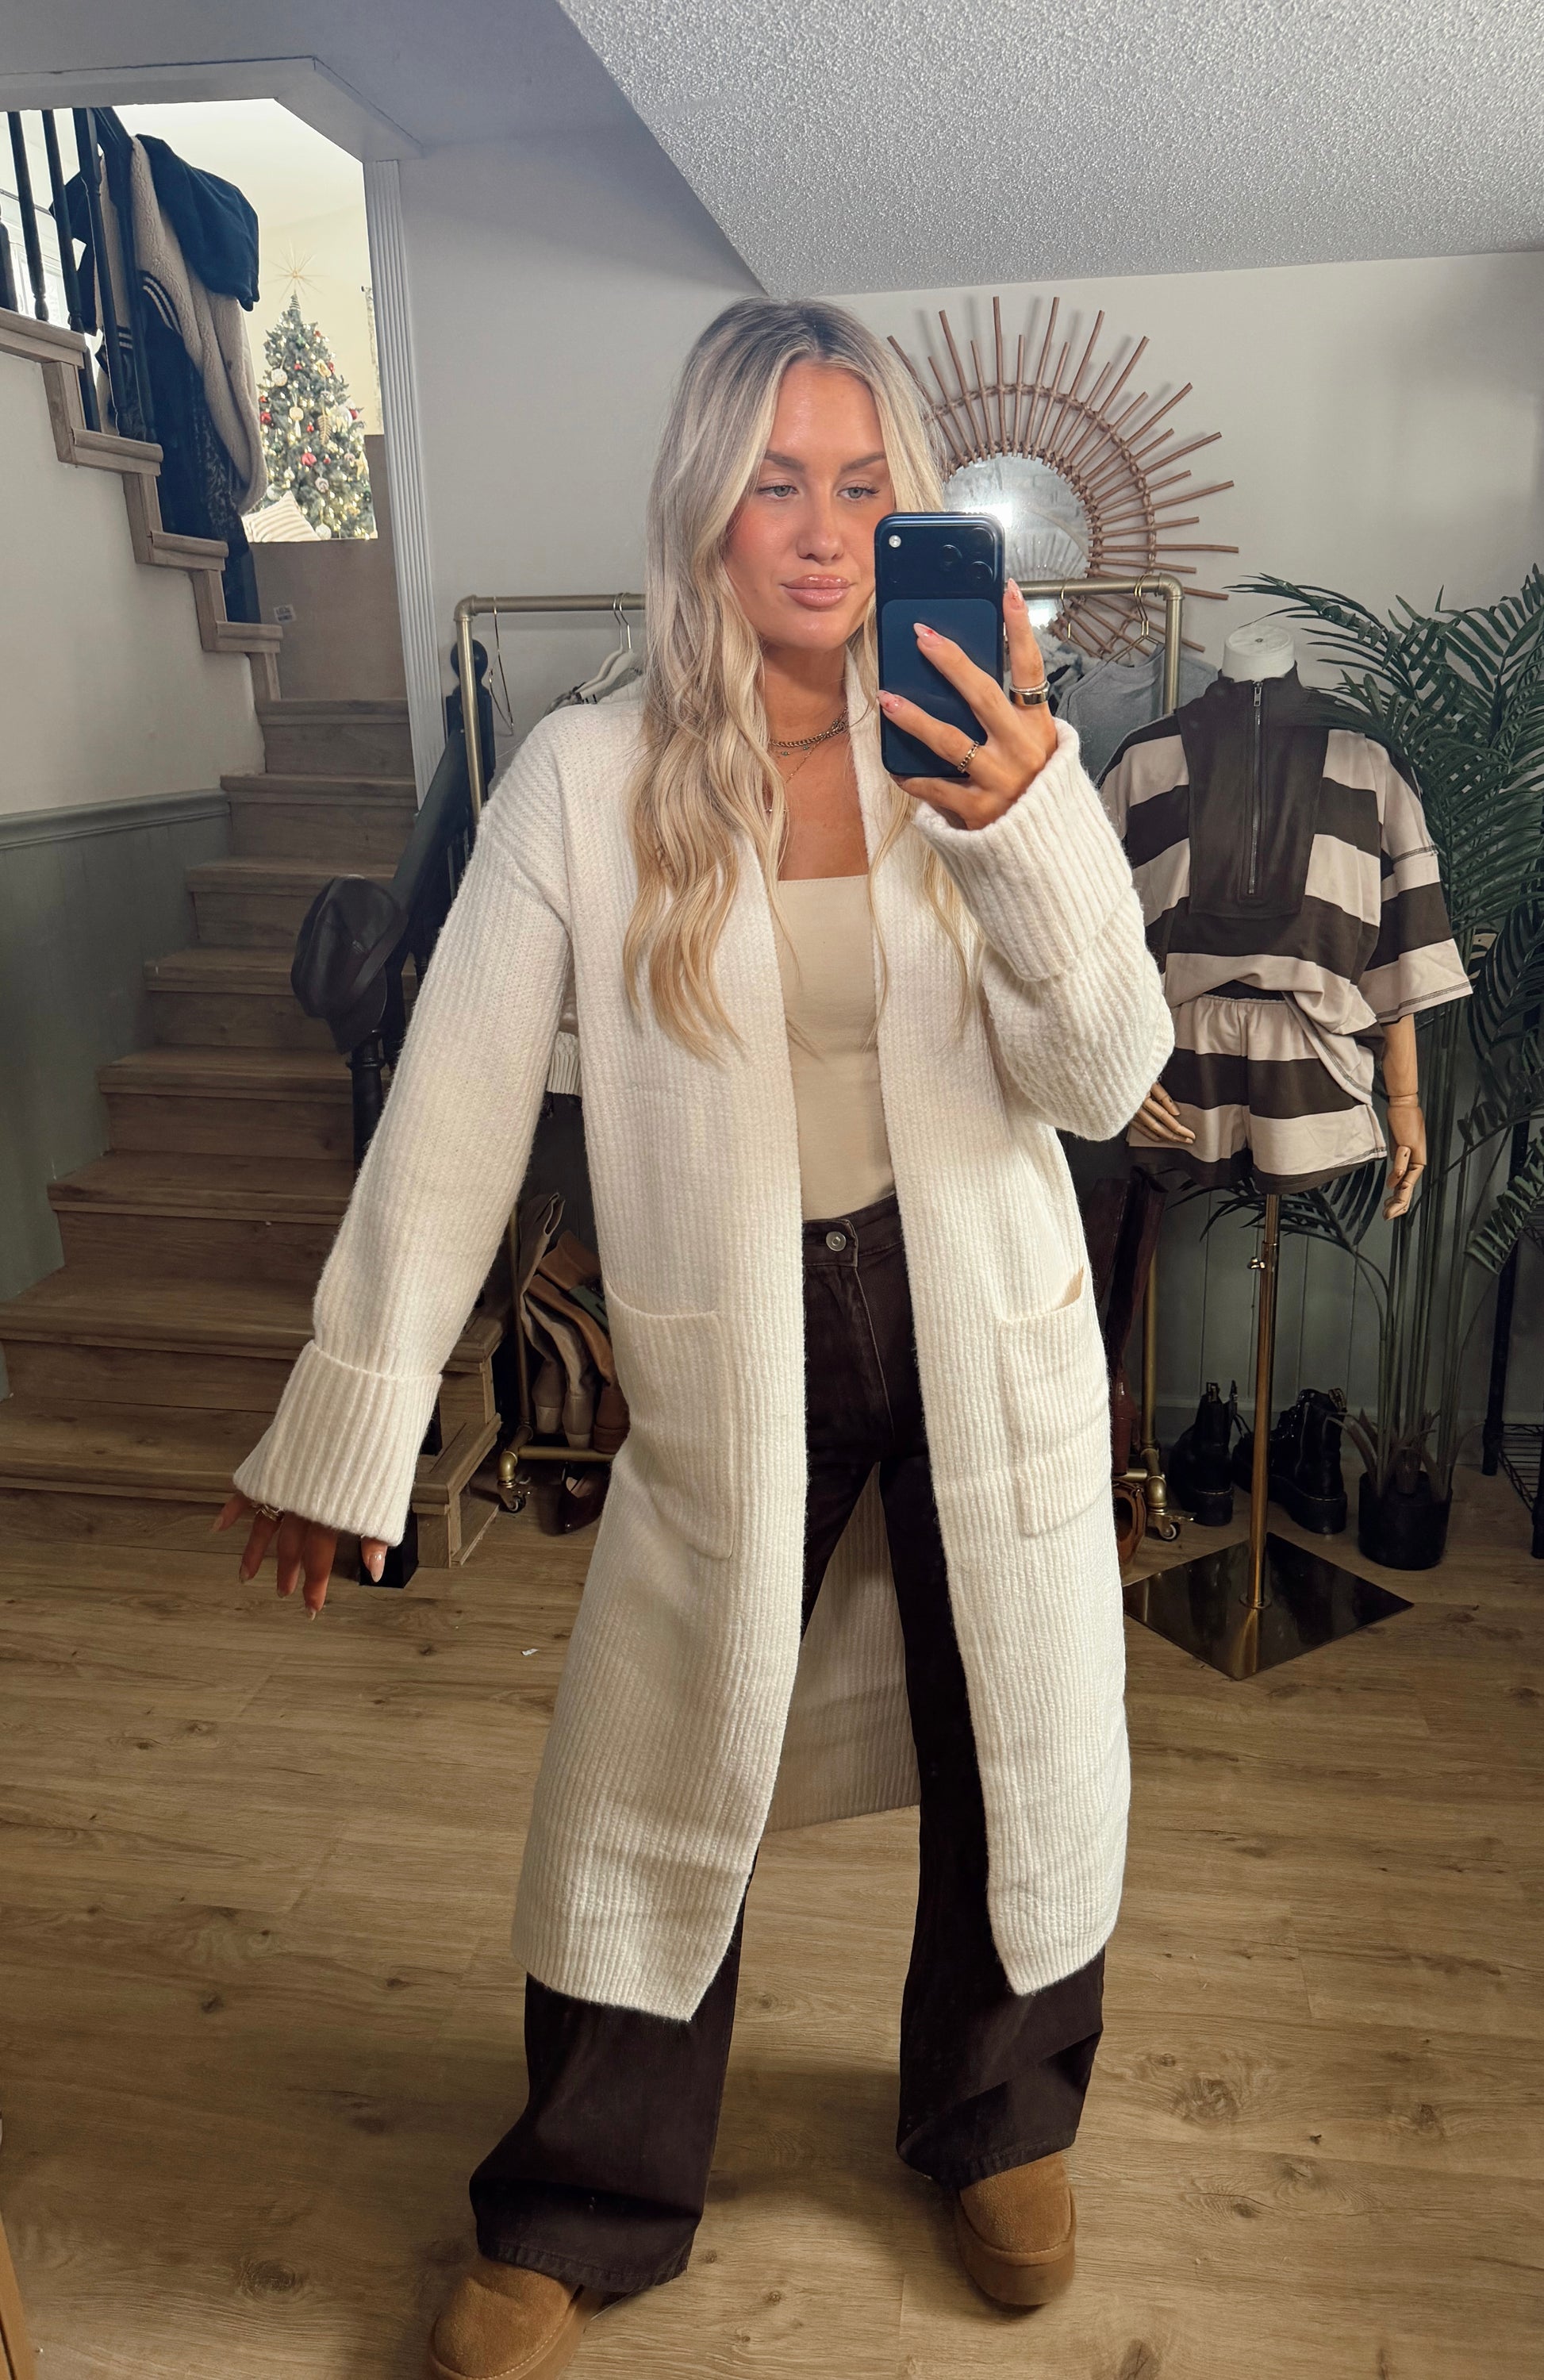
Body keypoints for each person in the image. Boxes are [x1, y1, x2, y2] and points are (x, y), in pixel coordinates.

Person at [216, 298, 1173, 2379]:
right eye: (774, 484)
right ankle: (584, 2196)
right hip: (732, 1339)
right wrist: (352, 1425)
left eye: (861, 486)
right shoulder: (583, 776)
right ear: (703, 512)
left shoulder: (997, 752)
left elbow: (1106, 1078)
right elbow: (456, 1109)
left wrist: (1026, 821)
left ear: (910, 510)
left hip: (983, 1326)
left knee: (1019, 1735)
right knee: (644, 1761)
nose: (822, 532)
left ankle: (1002, 2120)